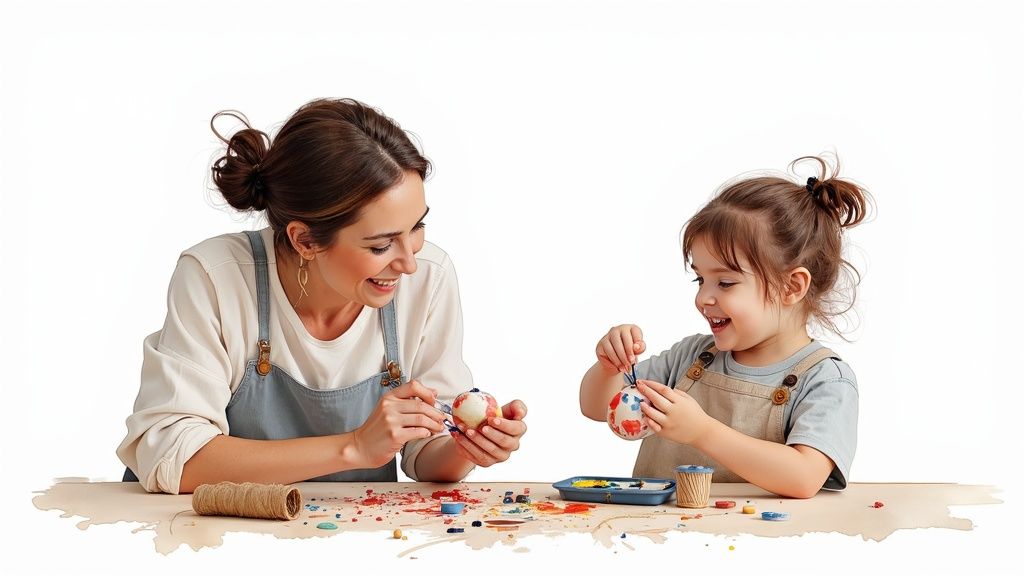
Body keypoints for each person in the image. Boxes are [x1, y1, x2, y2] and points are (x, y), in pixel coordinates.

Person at [117, 98, 528, 494]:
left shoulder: (429, 278)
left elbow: (427, 454)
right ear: (305, 240)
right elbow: (173, 458)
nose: (409, 264)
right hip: (208, 529)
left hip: (342, 529)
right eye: (381, 245)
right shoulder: (216, 277)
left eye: (417, 227)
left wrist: (465, 447)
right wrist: (354, 447)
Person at [579, 156, 871, 498]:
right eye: (700, 279)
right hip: (657, 527)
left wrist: (702, 432)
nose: (703, 297)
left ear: (792, 287)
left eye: (726, 283)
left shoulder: (825, 380)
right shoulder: (691, 357)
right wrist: (608, 367)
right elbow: (596, 407)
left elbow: (804, 477)